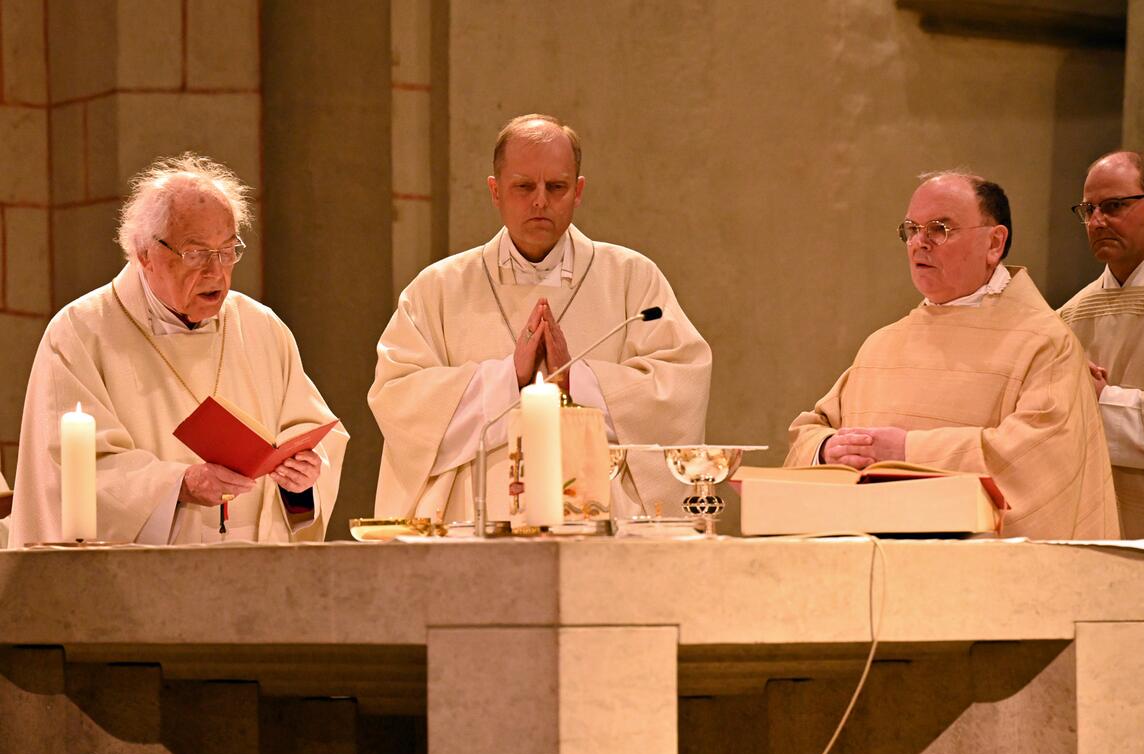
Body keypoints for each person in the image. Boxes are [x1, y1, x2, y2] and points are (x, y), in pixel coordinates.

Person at [368, 114, 711, 522]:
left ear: (578, 191)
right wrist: (506, 378)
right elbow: (397, 399)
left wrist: (575, 382)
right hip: (474, 519)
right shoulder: (439, 288)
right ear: (495, 191)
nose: (540, 201)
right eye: (524, 186)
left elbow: (679, 387)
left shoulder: (631, 278)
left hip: (600, 518)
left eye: (557, 187)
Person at [9, 153, 348, 546]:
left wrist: (301, 481)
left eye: (227, 251)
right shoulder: (81, 333)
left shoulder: (262, 328)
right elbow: (70, 473)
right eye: (195, 253)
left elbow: (310, 435)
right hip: (140, 582)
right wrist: (179, 485)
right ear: (144, 254)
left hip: (257, 572)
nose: (216, 272)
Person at [785, 171, 1117, 539]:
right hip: (870, 571)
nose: (919, 243)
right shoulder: (882, 344)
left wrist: (907, 451)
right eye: (912, 229)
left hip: (975, 579)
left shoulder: (1044, 344)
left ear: (994, 242)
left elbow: (1039, 463)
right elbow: (809, 431)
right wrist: (829, 450)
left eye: (939, 228)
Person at [1058, 151, 1144, 539]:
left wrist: (1099, 399)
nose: (1096, 222)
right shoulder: (1069, 317)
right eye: (1088, 209)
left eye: (1113, 206)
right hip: (1093, 529)